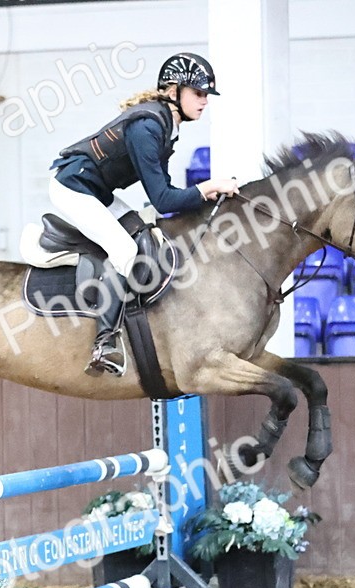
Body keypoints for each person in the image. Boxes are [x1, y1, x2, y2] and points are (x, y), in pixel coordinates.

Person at [49, 52, 239, 376]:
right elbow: (164, 200)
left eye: (206, 95)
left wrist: (205, 193)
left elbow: (164, 191)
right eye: (198, 93)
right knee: (126, 250)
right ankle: (105, 343)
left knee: (142, 233)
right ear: (172, 91)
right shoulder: (148, 127)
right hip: (72, 188)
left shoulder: (166, 125)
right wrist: (207, 187)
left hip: (97, 191)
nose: (204, 101)